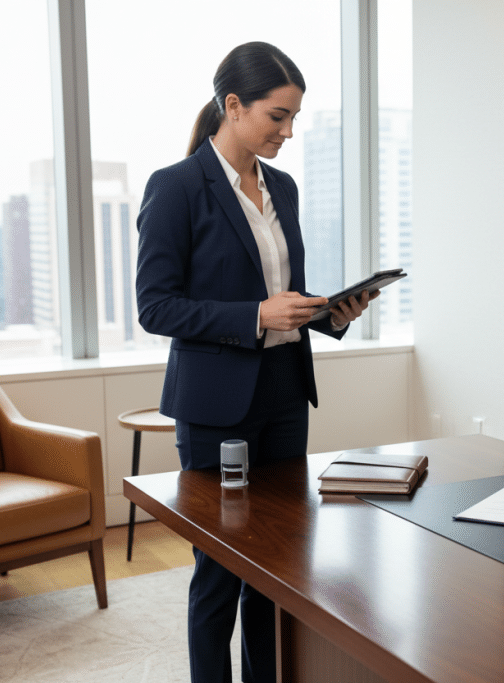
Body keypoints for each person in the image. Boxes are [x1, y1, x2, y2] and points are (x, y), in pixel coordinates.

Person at [136, 42, 375, 683]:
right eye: (278, 116)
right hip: (216, 404)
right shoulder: (177, 187)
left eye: (294, 117)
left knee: (279, 565)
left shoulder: (283, 188)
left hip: (285, 390)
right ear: (234, 105)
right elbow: (155, 307)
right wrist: (255, 316)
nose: (288, 132)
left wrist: (330, 313)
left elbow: (279, 296)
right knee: (220, 570)